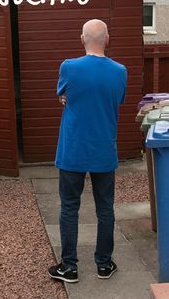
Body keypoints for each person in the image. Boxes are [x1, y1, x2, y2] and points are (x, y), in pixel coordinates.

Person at [48, 19, 127, 283]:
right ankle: (104, 265)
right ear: (107, 39)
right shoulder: (120, 71)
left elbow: (64, 94)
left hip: (73, 150)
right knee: (105, 209)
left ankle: (69, 267)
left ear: (82, 39)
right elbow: (115, 99)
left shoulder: (69, 67)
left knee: (70, 208)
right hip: (104, 150)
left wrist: (67, 98)